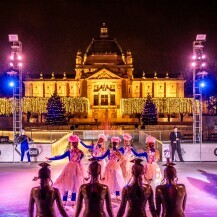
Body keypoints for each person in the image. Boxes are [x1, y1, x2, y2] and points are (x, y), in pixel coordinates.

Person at [46, 135, 84, 206]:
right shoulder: (81, 152)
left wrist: (51, 158)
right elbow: (79, 162)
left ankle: (64, 201)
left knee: (66, 184)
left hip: (69, 169)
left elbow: (61, 157)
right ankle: (73, 201)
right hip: (77, 170)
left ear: (71, 143)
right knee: (74, 185)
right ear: (77, 143)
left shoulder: (69, 152)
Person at [93, 136, 125, 201]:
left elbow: (122, 158)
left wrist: (119, 157)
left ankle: (117, 195)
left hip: (116, 166)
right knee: (108, 180)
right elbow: (102, 157)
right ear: (112, 143)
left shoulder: (118, 151)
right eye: (113, 143)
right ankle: (108, 194)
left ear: (118, 144)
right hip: (109, 166)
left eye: (116, 143)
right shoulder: (109, 150)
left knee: (117, 180)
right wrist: (95, 158)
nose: (114, 144)